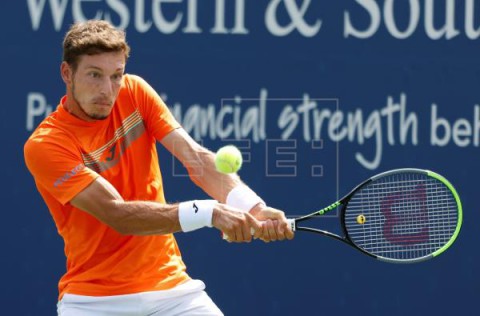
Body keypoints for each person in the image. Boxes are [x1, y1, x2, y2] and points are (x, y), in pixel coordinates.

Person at [24, 19, 294, 316]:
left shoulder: (135, 92)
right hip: (92, 302)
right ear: (67, 73)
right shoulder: (46, 145)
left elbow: (196, 159)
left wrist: (251, 206)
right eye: (94, 75)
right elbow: (117, 214)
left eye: (116, 76)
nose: (107, 90)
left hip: (172, 291)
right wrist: (210, 212)